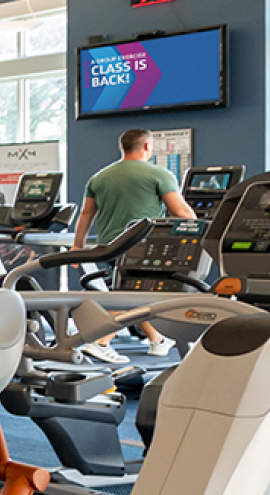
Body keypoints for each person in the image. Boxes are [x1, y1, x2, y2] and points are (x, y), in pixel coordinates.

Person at [69, 128, 197, 363]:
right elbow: (181, 211)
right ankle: (100, 341)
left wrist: (77, 247)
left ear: (122, 148)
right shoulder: (159, 174)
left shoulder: (99, 177)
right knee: (131, 296)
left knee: (136, 293)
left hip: (110, 247)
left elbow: (86, 214)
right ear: (148, 147)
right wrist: (201, 232)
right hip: (143, 246)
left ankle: (157, 339)